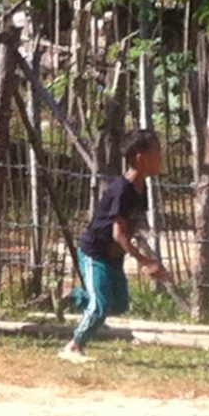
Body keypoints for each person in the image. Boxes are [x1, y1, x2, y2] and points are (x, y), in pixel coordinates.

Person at [59, 129, 168, 363]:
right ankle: (74, 347)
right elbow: (118, 233)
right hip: (95, 253)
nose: (161, 157)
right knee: (99, 306)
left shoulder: (142, 189)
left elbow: (133, 227)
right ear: (140, 157)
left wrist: (150, 258)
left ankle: (73, 296)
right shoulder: (122, 189)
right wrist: (144, 262)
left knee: (118, 305)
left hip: (113, 257)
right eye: (157, 152)